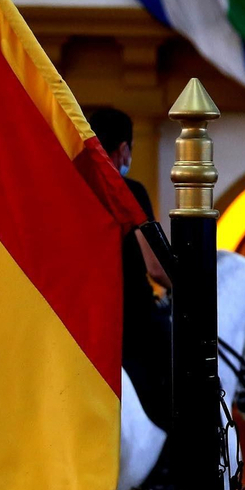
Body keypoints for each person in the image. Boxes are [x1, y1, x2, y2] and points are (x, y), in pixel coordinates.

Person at [89, 107, 173, 431]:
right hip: (126, 319)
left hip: (73, 316)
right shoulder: (129, 191)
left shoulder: (68, 184)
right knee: (173, 362)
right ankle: (168, 464)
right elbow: (156, 267)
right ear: (123, 149)